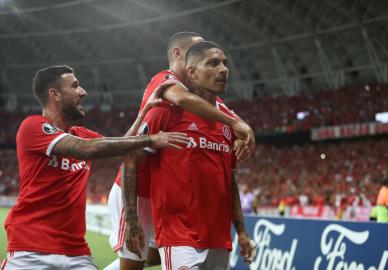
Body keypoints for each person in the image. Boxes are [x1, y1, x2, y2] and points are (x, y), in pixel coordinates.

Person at [2, 66, 189, 270]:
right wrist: (151, 139)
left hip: (76, 252)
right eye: (75, 86)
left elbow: (123, 144)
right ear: (54, 94)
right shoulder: (33, 126)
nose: (83, 92)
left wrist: (144, 112)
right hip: (30, 250)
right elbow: (86, 149)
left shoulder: (80, 133)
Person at [106, 32, 255, 270]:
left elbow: (224, 113)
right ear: (179, 56)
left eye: (224, 63)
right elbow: (183, 98)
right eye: (211, 61)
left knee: (153, 256)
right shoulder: (166, 87)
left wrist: (241, 125)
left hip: (168, 201)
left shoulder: (217, 113)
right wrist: (236, 123)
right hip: (136, 189)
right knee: (133, 260)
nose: (223, 69)